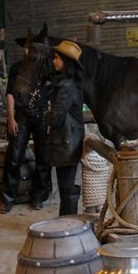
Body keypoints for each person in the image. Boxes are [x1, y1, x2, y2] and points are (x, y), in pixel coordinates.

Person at [0, 29, 53, 214]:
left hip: (41, 115)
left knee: (43, 159)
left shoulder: (47, 70)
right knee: (14, 157)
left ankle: (38, 197)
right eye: (28, 47)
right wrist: (11, 117)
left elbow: (53, 96)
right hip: (21, 115)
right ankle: (8, 199)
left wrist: (50, 120)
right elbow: (10, 94)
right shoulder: (17, 68)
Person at [44, 40, 85, 216]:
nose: (54, 61)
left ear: (65, 61)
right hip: (69, 139)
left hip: (66, 140)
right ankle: (66, 220)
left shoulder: (66, 86)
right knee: (66, 186)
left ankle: (68, 222)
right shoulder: (71, 83)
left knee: (66, 187)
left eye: (56, 58)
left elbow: (57, 116)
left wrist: (45, 116)